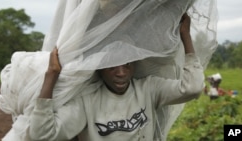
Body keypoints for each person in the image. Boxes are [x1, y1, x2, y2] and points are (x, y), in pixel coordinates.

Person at [29, 13, 204, 141]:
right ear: (99, 69)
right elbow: (42, 134)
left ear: (134, 64)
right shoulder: (87, 102)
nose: (121, 73)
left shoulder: (148, 89)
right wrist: (51, 75)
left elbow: (193, 88)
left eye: (127, 64)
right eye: (112, 67)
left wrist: (185, 35)